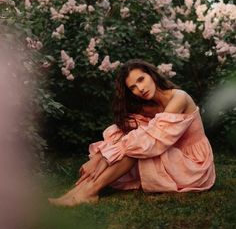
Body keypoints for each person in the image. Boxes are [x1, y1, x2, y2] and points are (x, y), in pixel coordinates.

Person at [48, 59, 216, 207]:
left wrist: (106, 158)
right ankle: (79, 190)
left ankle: (90, 191)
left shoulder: (179, 97)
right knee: (134, 141)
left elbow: (151, 137)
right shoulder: (146, 107)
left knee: (137, 146)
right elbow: (123, 133)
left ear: (152, 75)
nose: (140, 89)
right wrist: (99, 157)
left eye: (141, 79)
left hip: (193, 164)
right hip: (173, 156)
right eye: (133, 87)